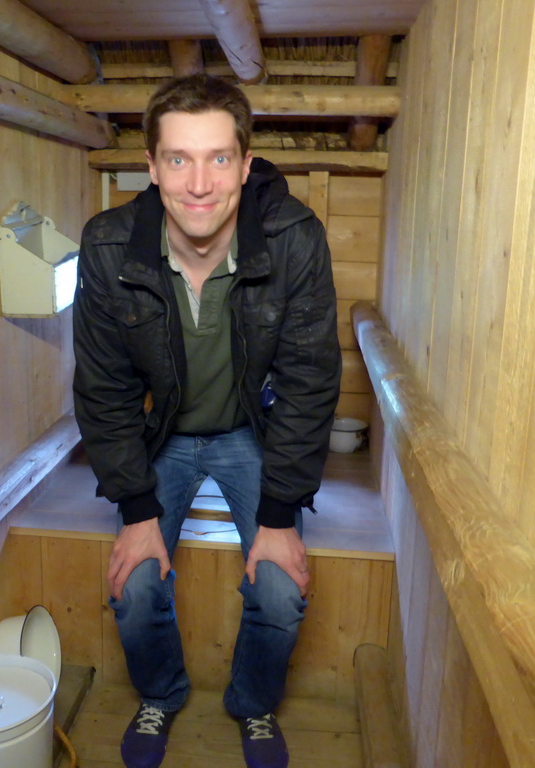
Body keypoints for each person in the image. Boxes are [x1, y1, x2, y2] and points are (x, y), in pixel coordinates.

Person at [72, 74, 341, 768]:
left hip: (254, 432)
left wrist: (280, 517)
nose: (199, 183)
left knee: (282, 593)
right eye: (179, 159)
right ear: (153, 166)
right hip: (165, 437)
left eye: (219, 158)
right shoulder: (107, 248)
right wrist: (135, 509)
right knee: (132, 588)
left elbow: (312, 382)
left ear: (246, 167)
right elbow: (102, 391)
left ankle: (252, 705)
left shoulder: (293, 239)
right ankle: (160, 693)